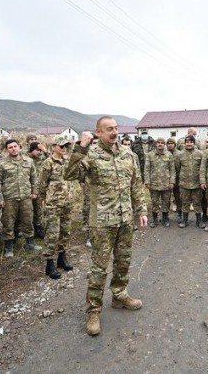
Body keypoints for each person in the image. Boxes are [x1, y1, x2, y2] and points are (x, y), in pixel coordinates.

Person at [64, 116, 148, 337]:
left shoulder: (128, 154)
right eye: (109, 129)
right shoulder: (90, 154)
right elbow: (70, 174)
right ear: (98, 132)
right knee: (99, 268)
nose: (114, 132)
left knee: (123, 260)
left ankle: (119, 295)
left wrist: (142, 210)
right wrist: (80, 147)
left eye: (116, 128)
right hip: (102, 222)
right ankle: (93, 310)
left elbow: (136, 185)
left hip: (125, 219)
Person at [0, 139, 41, 258]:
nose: (13, 149)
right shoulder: (1, 163)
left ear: (19, 147)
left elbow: (34, 178)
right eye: (10, 147)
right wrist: (0, 198)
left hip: (26, 197)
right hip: (9, 197)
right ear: (6, 149)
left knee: (28, 220)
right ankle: (9, 247)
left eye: (15, 146)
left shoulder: (28, 161)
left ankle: (30, 242)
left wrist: (34, 192)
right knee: (8, 222)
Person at [39, 138, 75, 280]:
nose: (64, 148)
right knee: (52, 234)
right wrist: (43, 202)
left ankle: (62, 257)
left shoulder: (67, 161)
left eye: (66, 146)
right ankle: (49, 263)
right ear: (53, 147)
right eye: (61, 146)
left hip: (67, 203)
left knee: (65, 232)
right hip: (52, 205)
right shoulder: (48, 164)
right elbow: (42, 184)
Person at [145, 137, 175, 226]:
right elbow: (147, 169)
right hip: (154, 184)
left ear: (164, 144)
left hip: (166, 184)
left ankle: (165, 219)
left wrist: (172, 181)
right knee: (155, 202)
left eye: (162, 142)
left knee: (166, 202)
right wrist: (147, 181)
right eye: (158, 142)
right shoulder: (150, 155)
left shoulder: (169, 155)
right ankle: (155, 220)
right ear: (156, 144)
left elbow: (172, 170)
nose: (160, 144)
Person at [175, 135, 204, 228]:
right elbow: (177, 168)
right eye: (187, 142)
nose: (189, 144)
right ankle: (184, 220)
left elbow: (202, 168)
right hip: (184, 183)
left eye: (191, 142)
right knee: (185, 202)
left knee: (197, 202)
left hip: (196, 183)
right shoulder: (180, 154)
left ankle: (199, 221)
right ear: (185, 143)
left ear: (194, 143)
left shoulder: (200, 154)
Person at [27, 141, 48, 239]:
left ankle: (38, 230)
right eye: (37, 150)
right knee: (27, 211)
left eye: (40, 150)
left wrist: (45, 150)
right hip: (27, 188)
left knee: (38, 210)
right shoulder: (25, 159)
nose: (39, 152)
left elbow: (52, 159)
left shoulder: (41, 158)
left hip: (39, 188)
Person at [166, 138, 183, 224]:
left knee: (178, 198)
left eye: (172, 143)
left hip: (178, 180)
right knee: (166, 199)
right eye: (168, 143)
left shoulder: (179, 154)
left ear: (175, 144)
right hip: (166, 180)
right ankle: (166, 216)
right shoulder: (164, 153)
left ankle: (180, 214)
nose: (170, 145)